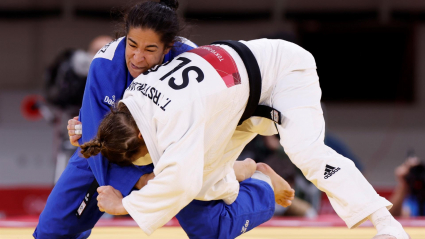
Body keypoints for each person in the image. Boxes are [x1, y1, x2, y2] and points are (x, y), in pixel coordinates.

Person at [78, 39, 410, 239]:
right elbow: (183, 176)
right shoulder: (134, 102)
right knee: (203, 201)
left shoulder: (174, 117)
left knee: (305, 151)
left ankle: (387, 224)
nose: (148, 161)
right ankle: (256, 173)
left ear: (139, 132)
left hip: (281, 73)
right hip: (232, 104)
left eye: (143, 156)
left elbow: (179, 178)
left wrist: (125, 205)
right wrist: (80, 127)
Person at [34, 1, 198, 238]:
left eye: (150, 49)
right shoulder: (104, 63)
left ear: (168, 47)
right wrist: (139, 180)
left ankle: (262, 185)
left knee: (211, 227)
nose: (137, 58)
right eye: (132, 44)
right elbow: (93, 140)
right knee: (53, 231)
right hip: (107, 152)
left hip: (170, 155)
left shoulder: (193, 61)